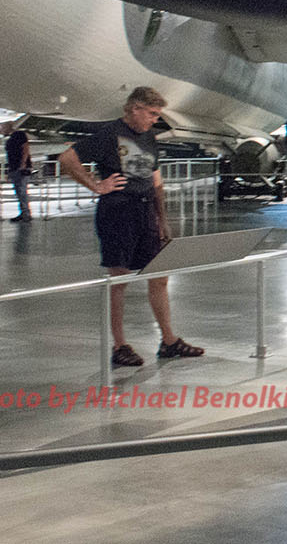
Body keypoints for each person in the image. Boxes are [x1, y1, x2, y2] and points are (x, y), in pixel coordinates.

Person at [58, 86, 204, 367]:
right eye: (151, 113)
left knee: (160, 275)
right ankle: (120, 344)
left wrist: (162, 220)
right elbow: (67, 159)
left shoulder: (149, 137)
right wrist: (96, 185)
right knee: (119, 278)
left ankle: (169, 340)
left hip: (145, 210)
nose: (154, 120)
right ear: (134, 108)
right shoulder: (109, 134)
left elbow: (155, 179)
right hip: (118, 212)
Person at [5, 127, 33, 221]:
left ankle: (26, 213)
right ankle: (23, 211)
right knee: (19, 191)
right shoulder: (10, 139)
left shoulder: (19, 135)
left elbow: (25, 148)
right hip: (14, 168)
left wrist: (23, 163)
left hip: (20, 168)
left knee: (22, 190)